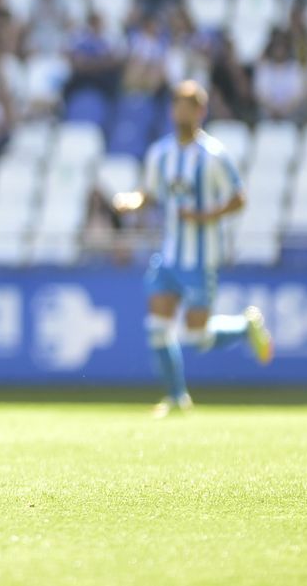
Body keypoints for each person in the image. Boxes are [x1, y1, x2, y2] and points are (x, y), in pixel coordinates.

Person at [114, 80, 273, 417]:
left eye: (187, 105)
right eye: (176, 104)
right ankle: (176, 397)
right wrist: (132, 200)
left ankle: (246, 326)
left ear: (200, 111)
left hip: (201, 256)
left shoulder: (213, 156)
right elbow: (151, 192)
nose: (179, 111)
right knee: (157, 327)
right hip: (169, 254)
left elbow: (239, 198)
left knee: (196, 336)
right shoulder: (161, 153)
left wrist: (205, 215)